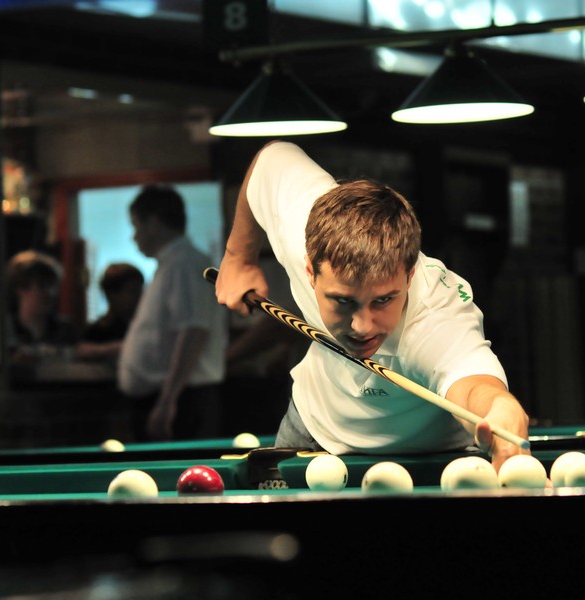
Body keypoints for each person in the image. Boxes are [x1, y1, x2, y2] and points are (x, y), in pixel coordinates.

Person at [214, 141, 531, 472]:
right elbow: (272, 159)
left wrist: (500, 407)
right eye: (343, 301)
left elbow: (474, 385)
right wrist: (239, 257)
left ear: (409, 275)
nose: (362, 326)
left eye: (383, 300)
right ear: (310, 271)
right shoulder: (303, 228)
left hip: (436, 451)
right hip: (316, 426)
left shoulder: (436, 316)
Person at [117, 184, 227, 441]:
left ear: (154, 223)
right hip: (177, 397)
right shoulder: (174, 263)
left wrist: (168, 401)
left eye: (136, 226)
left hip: (182, 402)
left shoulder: (184, 263)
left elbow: (193, 332)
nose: (134, 237)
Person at [6, 249, 79, 360]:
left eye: (53, 286)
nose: (50, 293)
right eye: (42, 286)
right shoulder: (6, 329)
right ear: (21, 288)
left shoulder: (65, 330)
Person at [75, 262, 144, 363]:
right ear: (111, 294)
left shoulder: (141, 327)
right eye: (132, 291)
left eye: (140, 291)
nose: (139, 297)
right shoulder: (96, 332)